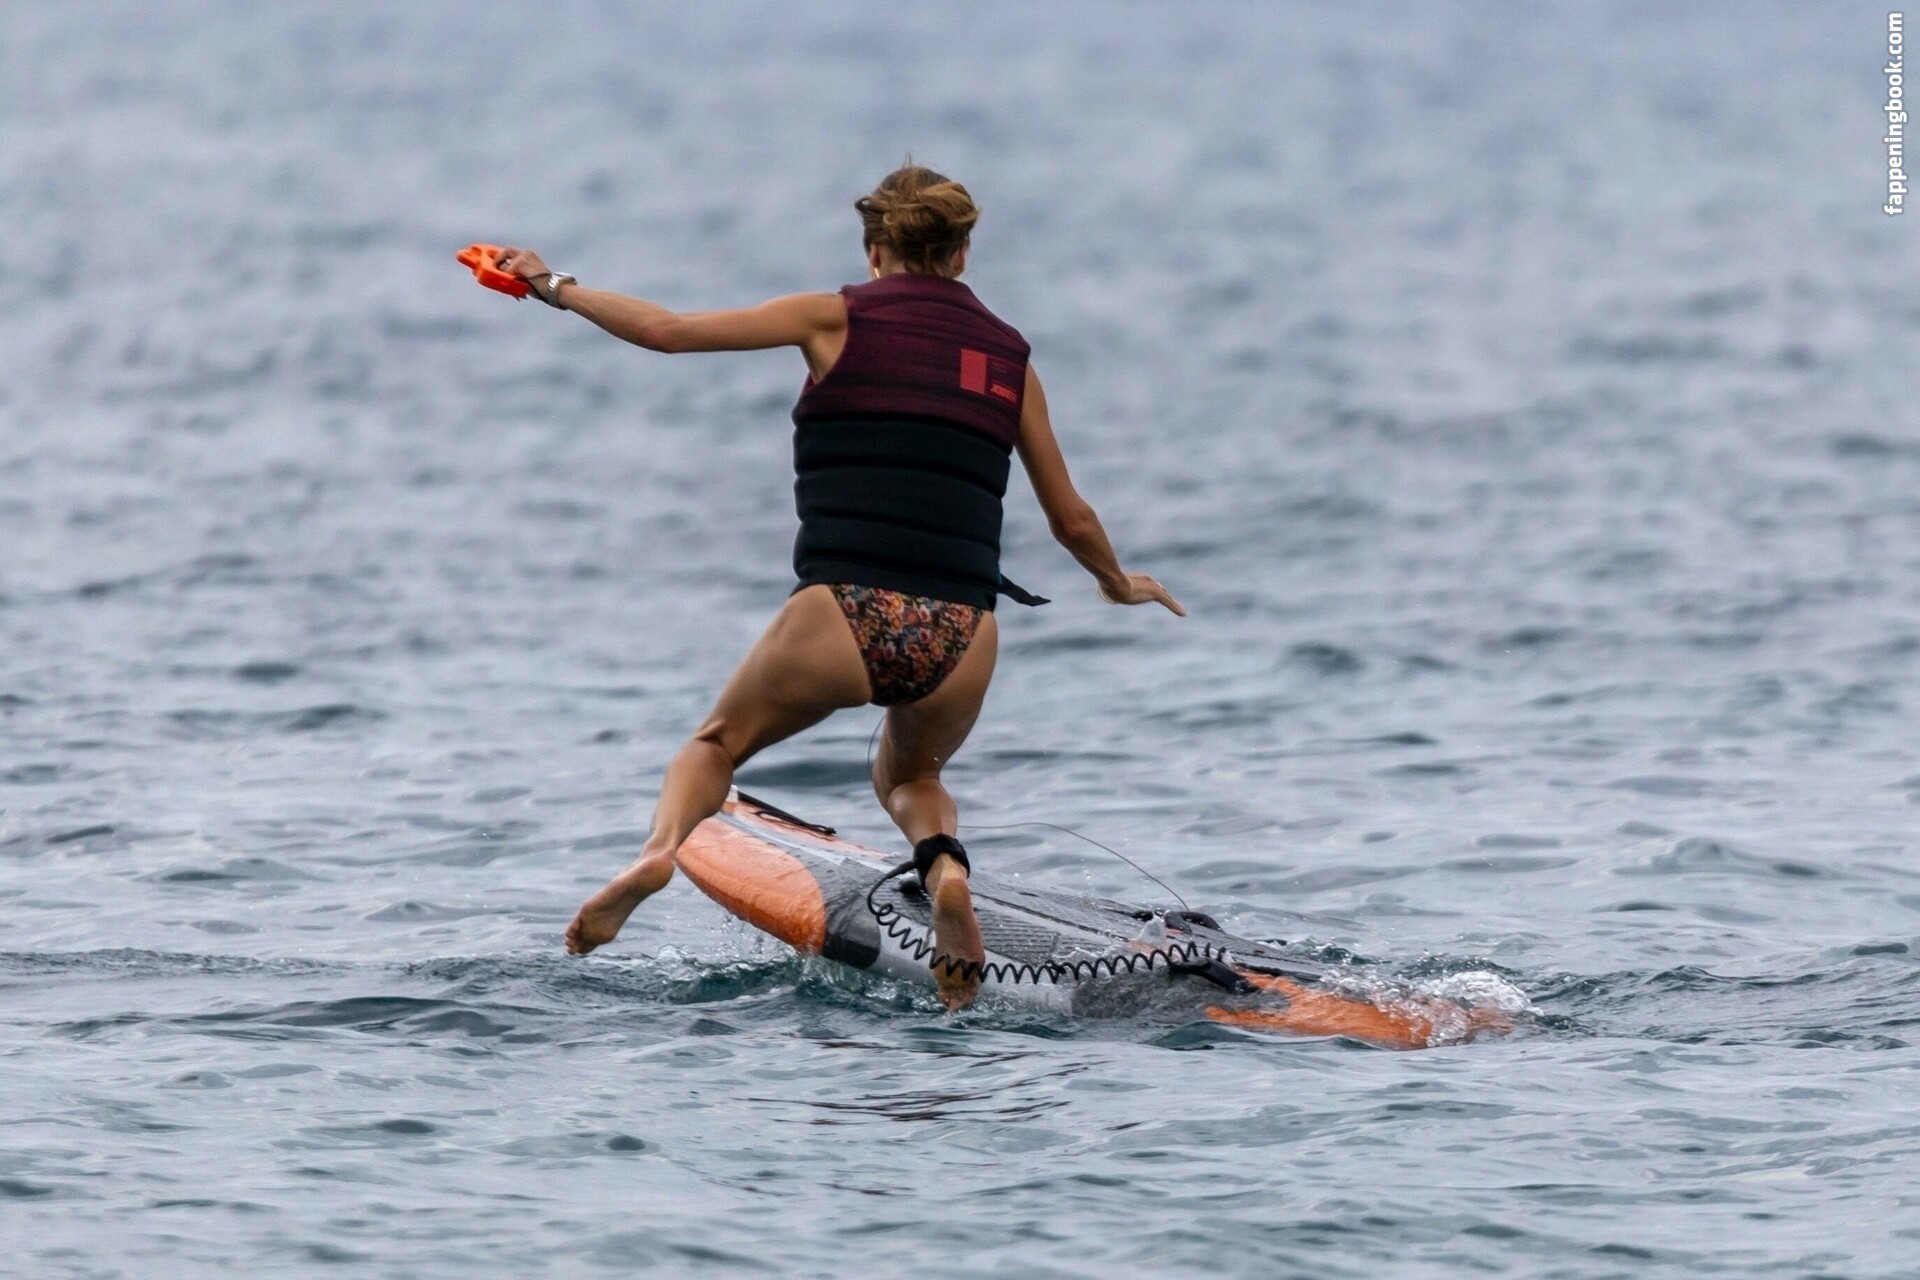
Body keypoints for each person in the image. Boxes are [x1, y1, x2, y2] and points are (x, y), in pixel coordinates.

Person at [493, 164, 1183, 1008]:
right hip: (961, 629)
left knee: (715, 747)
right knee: (911, 778)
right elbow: (1070, 518)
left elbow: (667, 331)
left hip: (842, 612)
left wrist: (554, 285)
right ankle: (945, 870)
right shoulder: (1010, 361)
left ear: (875, 249)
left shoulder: (833, 318)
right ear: (962, 255)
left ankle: (660, 852)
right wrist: (1117, 583)